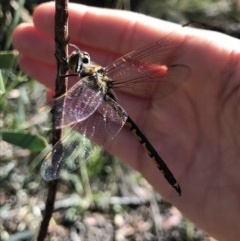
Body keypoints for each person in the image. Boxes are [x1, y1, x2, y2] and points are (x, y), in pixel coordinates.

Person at [12, 2, 240, 241]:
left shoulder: (89, 77)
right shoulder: (91, 76)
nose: (78, 61)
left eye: (80, 60)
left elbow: (67, 101)